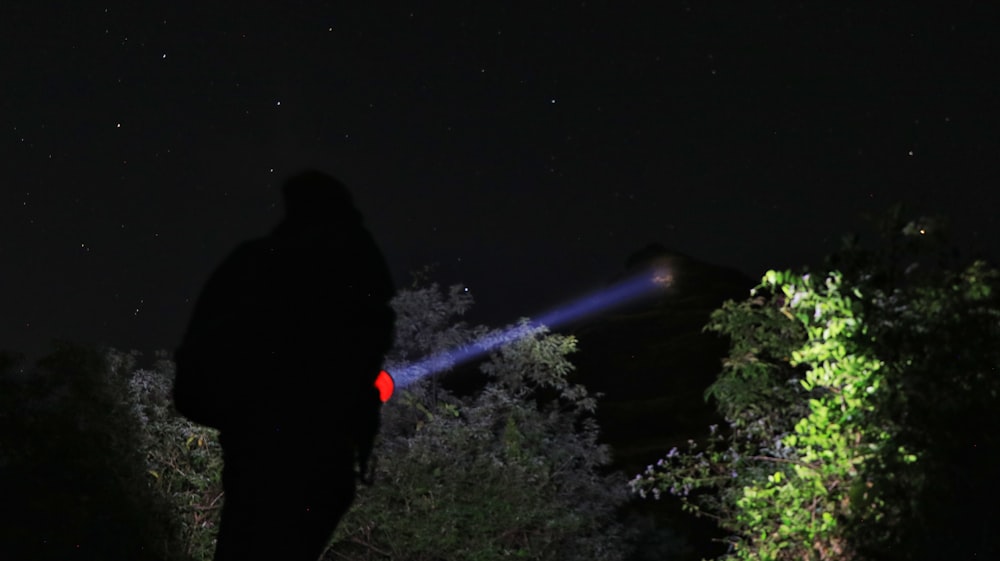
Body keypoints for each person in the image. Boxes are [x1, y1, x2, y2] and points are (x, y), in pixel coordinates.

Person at [173, 170, 396, 561]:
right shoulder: (353, 269)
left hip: (274, 451)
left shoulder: (260, 264)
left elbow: (196, 375)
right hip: (312, 453)